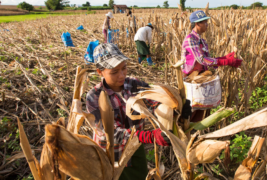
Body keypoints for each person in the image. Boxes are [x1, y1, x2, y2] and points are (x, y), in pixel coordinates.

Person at [86, 43, 171, 180]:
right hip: (111, 154)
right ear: (99, 72)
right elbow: (107, 132)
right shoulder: (94, 96)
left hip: (135, 149)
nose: (121, 75)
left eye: (124, 68)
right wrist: (148, 136)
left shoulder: (133, 84)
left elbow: (155, 101)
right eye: (114, 72)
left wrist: (174, 108)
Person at [181, 10, 243, 122]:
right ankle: (187, 129)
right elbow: (201, 59)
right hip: (190, 77)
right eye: (204, 22)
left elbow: (208, 60)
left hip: (202, 76)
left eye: (206, 22)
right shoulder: (190, 39)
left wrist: (223, 58)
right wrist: (225, 61)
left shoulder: (203, 41)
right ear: (196, 24)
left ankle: (199, 130)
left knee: (204, 104)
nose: (207, 24)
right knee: (192, 106)